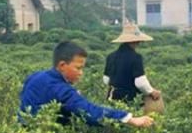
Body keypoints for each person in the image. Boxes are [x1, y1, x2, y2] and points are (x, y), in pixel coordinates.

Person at [19, 41, 154, 128]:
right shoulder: (61, 89)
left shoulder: (35, 76)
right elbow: (89, 111)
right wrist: (130, 119)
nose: (81, 73)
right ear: (62, 65)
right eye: (78, 68)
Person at [104, 22, 161, 104]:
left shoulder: (111, 56)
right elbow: (140, 82)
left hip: (111, 98)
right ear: (135, 41)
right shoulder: (136, 57)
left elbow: (106, 80)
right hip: (129, 100)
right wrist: (151, 92)